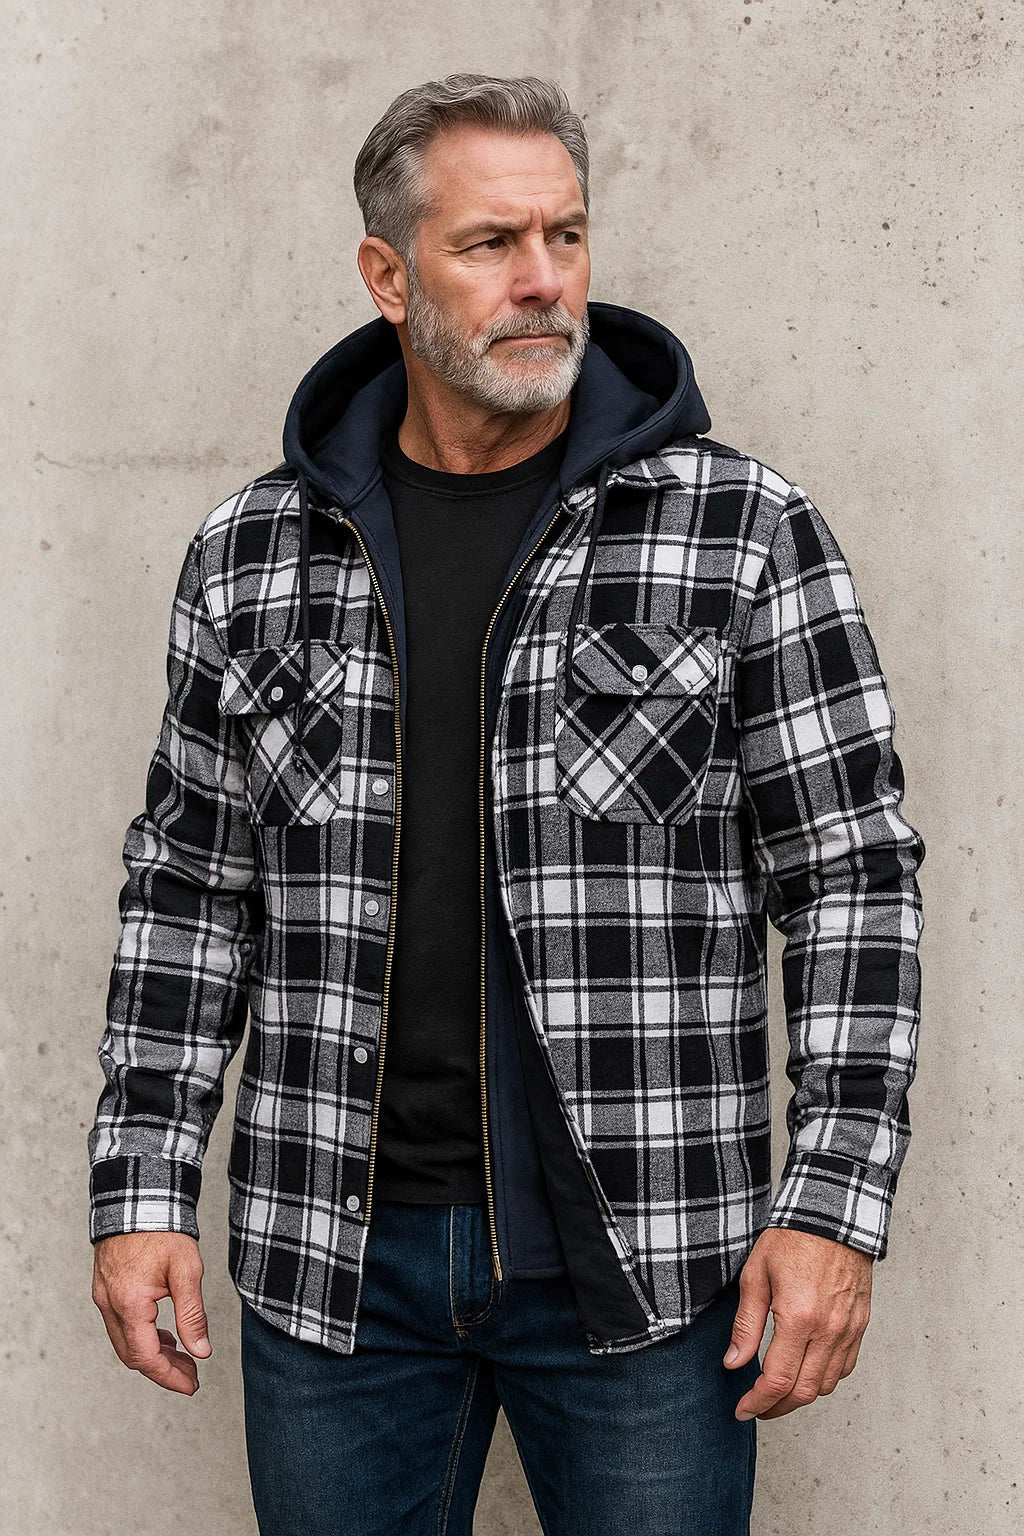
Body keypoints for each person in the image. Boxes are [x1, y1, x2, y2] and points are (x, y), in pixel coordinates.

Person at [87, 72, 926, 1536]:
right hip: (334, 1269)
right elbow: (188, 891)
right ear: (387, 274)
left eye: (566, 234)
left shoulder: (738, 532)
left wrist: (832, 1205)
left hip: (646, 1262)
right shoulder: (254, 554)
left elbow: (851, 876)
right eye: (491, 242)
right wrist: (143, 1184)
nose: (544, 279)